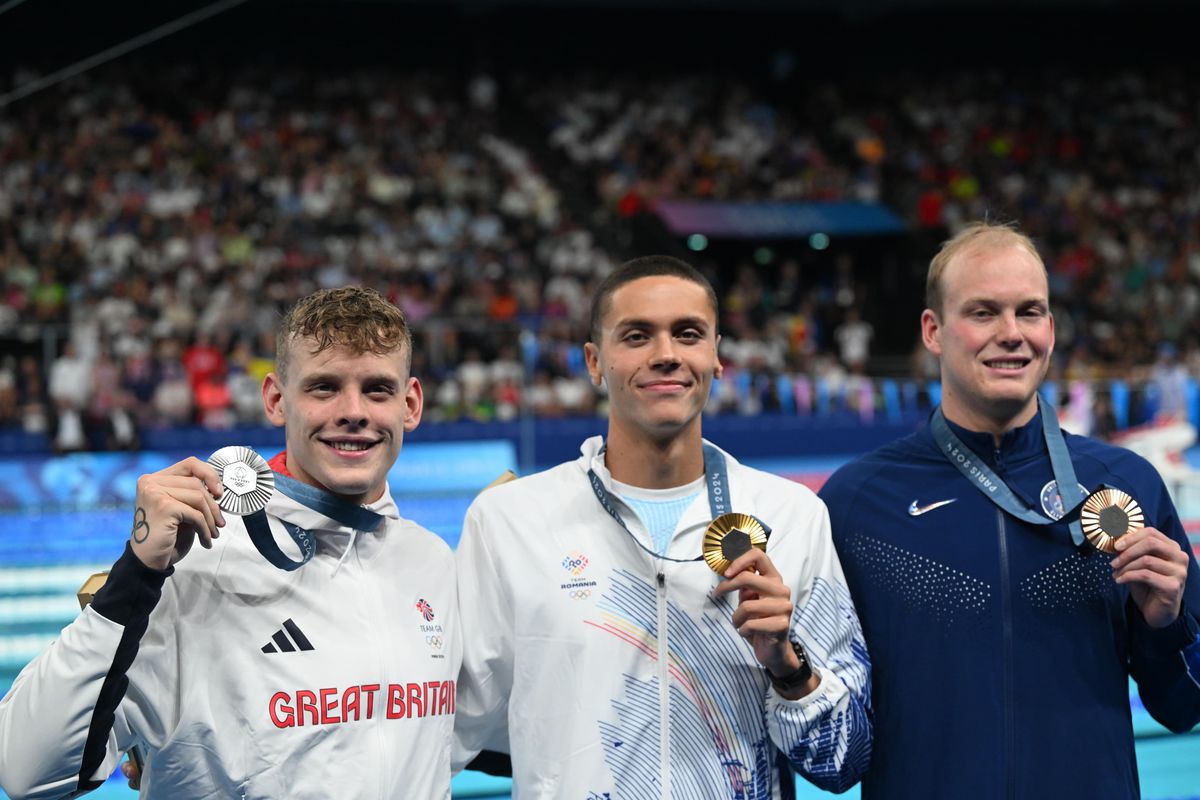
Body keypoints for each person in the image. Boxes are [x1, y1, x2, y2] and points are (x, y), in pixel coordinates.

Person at [0, 287, 461, 799]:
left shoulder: (432, 564)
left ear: (411, 404)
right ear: (276, 400)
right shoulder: (198, 562)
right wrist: (135, 576)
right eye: (324, 388)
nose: (353, 411)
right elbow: (26, 772)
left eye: (377, 389)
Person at [453, 256, 872, 797]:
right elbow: (452, 726)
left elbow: (844, 763)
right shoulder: (511, 521)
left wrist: (787, 668)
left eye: (688, 333)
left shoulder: (793, 516)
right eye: (636, 336)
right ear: (593, 362)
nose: (667, 354)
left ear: (716, 357)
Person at [819, 222, 1200, 799]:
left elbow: (1183, 707)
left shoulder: (1128, 487)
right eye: (983, 312)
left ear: (1050, 327)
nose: (1011, 333)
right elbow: (829, 746)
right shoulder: (856, 504)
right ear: (933, 330)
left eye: (1030, 312)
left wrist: (1165, 626)